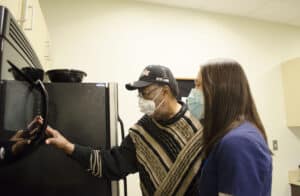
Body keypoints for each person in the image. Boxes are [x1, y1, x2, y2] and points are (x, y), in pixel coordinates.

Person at [43, 65, 204, 195]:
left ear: (165, 91)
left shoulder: (199, 124)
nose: (142, 101)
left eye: (146, 93)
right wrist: (68, 147)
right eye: (139, 95)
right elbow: (111, 164)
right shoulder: (142, 132)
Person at [191, 59, 272, 196]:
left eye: (199, 85)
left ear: (220, 90)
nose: (193, 93)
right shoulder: (231, 136)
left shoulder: (238, 142)